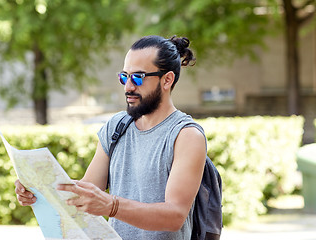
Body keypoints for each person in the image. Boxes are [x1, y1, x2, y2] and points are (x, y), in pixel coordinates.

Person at [15, 35, 207, 240]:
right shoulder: (117, 126)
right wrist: (38, 189)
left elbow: (175, 216)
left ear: (167, 79)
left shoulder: (186, 135)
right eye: (124, 77)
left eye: (138, 77)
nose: (128, 87)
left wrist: (112, 206)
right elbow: (86, 193)